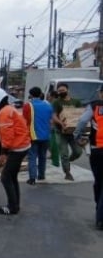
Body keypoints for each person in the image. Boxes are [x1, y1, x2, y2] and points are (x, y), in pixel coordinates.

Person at [0, 88, 31, 215]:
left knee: (5, 177)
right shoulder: (10, 109)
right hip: (22, 145)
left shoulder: (4, 113)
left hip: (17, 147)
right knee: (12, 176)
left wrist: (3, 153)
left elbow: (7, 135)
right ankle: (15, 204)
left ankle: (12, 207)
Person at [73, 84, 103, 230]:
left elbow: (83, 121)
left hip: (97, 150)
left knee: (99, 181)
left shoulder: (95, 106)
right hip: (97, 149)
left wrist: (76, 136)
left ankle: (99, 211)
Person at [22, 87, 54, 185]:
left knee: (32, 156)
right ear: (40, 94)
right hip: (46, 135)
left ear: (30, 95)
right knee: (42, 156)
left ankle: (32, 178)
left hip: (33, 135)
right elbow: (50, 120)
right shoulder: (48, 105)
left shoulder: (28, 106)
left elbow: (24, 121)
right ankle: (41, 175)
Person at [52, 83, 82, 180]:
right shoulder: (56, 102)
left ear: (67, 90)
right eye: (59, 91)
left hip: (73, 132)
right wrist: (61, 123)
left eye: (63, 90)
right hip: (61, 132)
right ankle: (67, 173)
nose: (61, 92)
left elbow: (80, 114)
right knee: (64, 153)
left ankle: (68, 161)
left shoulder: (76, 101)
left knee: (78, 152)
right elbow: (53, 116)